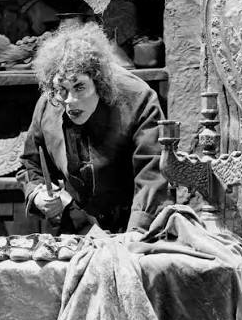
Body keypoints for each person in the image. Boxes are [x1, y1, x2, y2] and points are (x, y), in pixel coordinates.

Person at [17, 22, 173, 235]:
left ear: (99, 83)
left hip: (131, 220)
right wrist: (38, 194)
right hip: (76, 224)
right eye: (62, 89)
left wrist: (135, 236)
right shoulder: (49, 104)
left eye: (79, 87)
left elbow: (152, 175)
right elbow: (31, 163)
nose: (70, 100)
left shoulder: (138, 100)